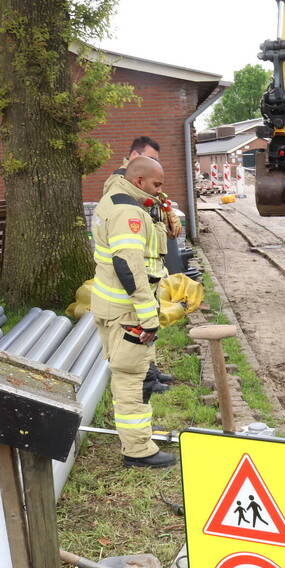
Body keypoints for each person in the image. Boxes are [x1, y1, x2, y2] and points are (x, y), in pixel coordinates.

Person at [91, 156, 176, 468]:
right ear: (139, 181)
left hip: (110, 305)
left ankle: (137, 443)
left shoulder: (112, 198)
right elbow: (128, 264)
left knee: (132, 376)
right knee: (132, 382)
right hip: (127, 312)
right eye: (156, 185)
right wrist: (148, 316)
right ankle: (138, 451)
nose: (159, 191)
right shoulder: (128, 213)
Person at [104, 137, 181, 393]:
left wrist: (167, 210)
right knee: (139, 323)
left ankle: (152, 370)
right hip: (136, 270)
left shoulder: (140, 181)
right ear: (135, 156)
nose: (156, 165)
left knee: (149, 320)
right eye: (151, 159)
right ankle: (146, 379)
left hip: (151, 267)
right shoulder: (120, 183)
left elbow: (157, 197)